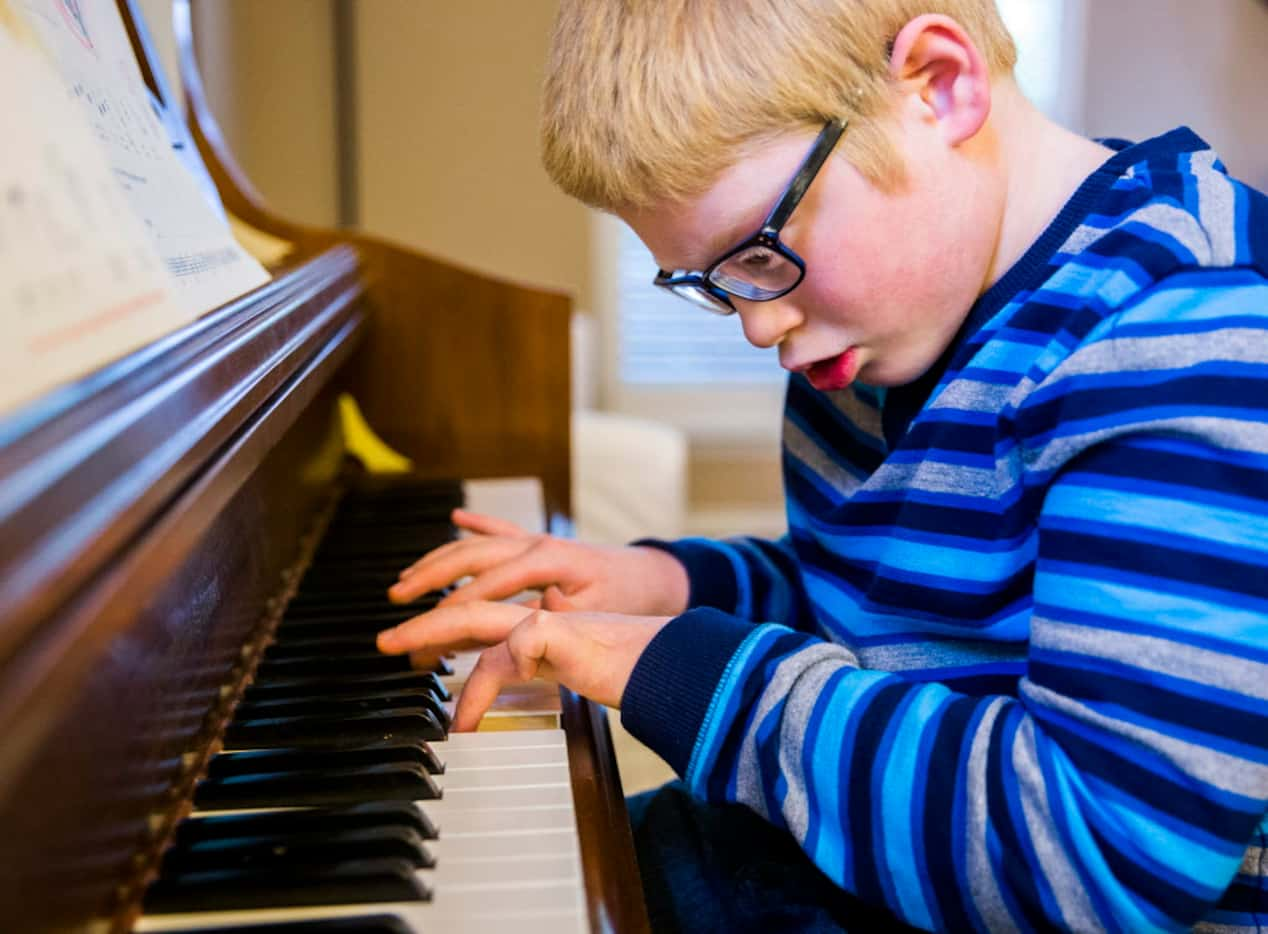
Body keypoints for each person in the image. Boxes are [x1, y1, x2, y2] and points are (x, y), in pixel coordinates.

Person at [376, 1, 1268, 930]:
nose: (761, 324)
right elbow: (880, 610)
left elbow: (1104, 854)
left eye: (761, 254)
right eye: (713, 283)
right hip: (884, 858)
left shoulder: (1182, 339)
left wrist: (685, 669)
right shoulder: (882, 332)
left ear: (938, 85)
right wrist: (670, 585)